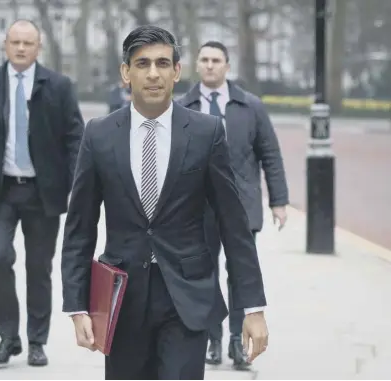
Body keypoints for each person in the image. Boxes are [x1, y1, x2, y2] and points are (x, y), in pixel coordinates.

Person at [61, 26, 268, 380]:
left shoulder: (207, 132)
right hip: (121, 299)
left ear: (177, 71)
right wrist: (77, 306)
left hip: (186, 297)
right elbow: (79, 227)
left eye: (162, 63)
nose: (153, 73)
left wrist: (253, 307)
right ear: (126, 73)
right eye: (142, 64)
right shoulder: (98, 134)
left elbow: (234, 226)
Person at [0, 19, 84, 366]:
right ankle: (9, 338)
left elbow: (75, 141)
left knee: (39, 268)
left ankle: (37, 341)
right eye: (15, 42)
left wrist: (78, 188)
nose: (21, 48)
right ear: (5, 46)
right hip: (1, 190)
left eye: (28, 43)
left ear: (38, 47)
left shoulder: (59, 86)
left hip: (43, 193)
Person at [178, 41, 289, 369]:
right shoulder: (184, 105)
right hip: (197, 209)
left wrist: (279, 201)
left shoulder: (250, 106)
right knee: (204, 274)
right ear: (197, 66)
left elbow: (270, 153)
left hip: (241, 205)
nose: (210, 66)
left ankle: (237, 343)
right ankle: (212, 339)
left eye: (216, 60)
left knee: (241, 274)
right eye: (205, 60)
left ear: (227, 66)